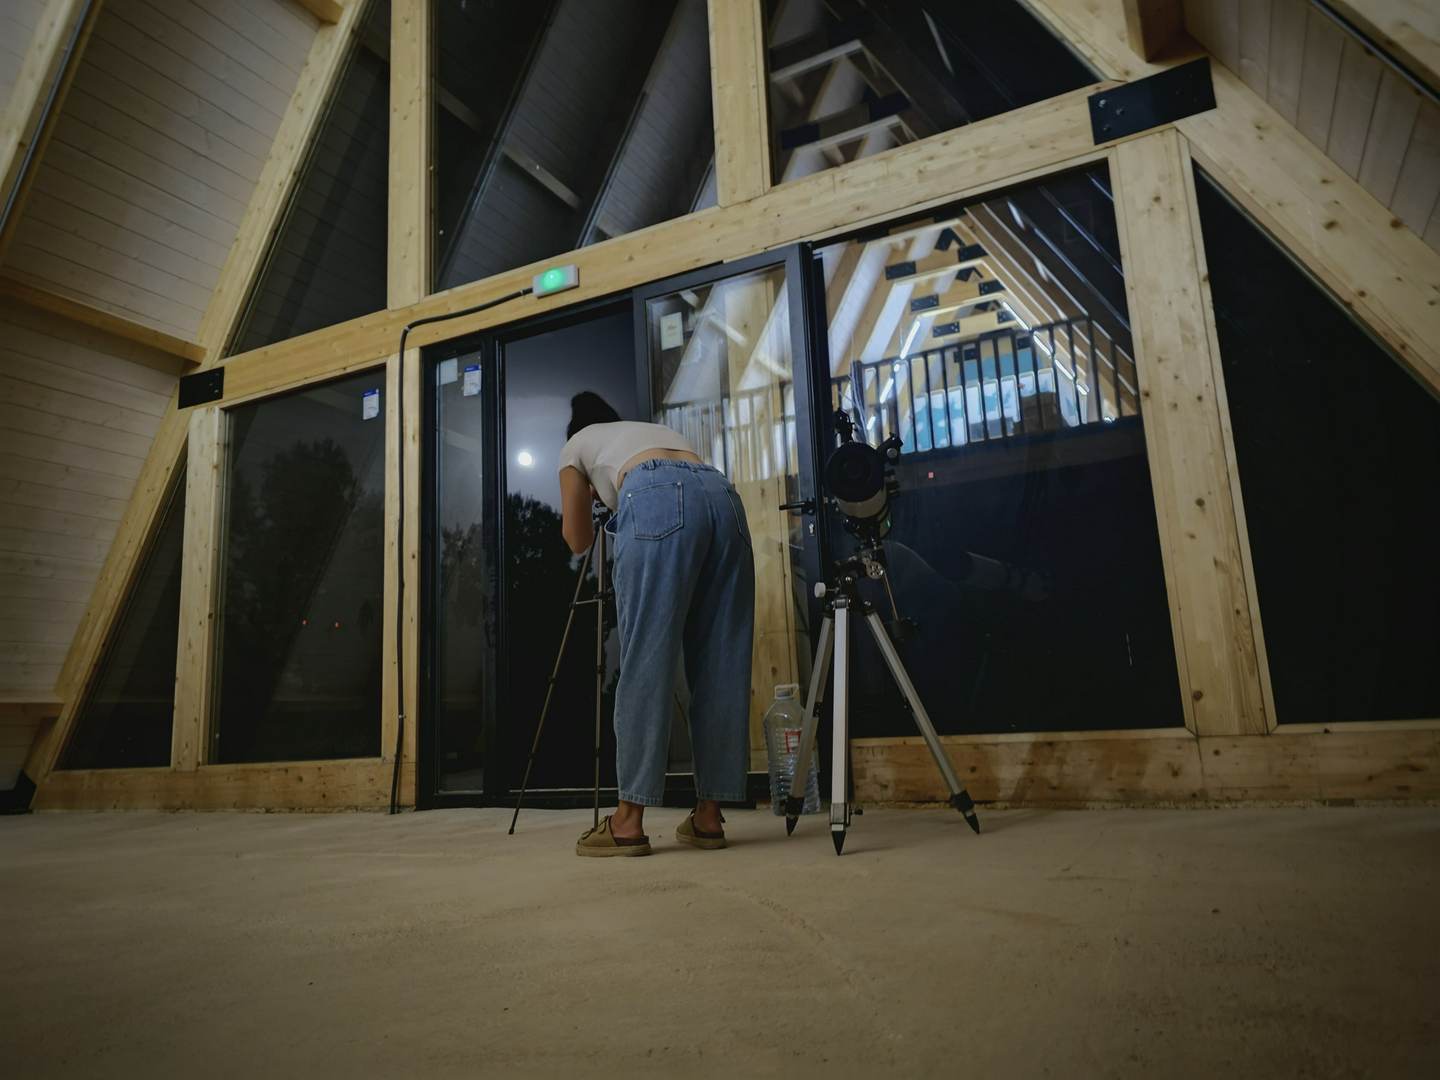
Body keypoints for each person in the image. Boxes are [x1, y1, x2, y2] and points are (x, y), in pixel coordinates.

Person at [557, 392, 754, 857]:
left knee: (648, 657)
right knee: (721, 662)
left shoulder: (576, 445)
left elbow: (577, 539)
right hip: (723, 496)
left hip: (653, 494)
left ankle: (627, 822)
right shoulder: (654, 434)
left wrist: (587, 492)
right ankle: (708, 816)